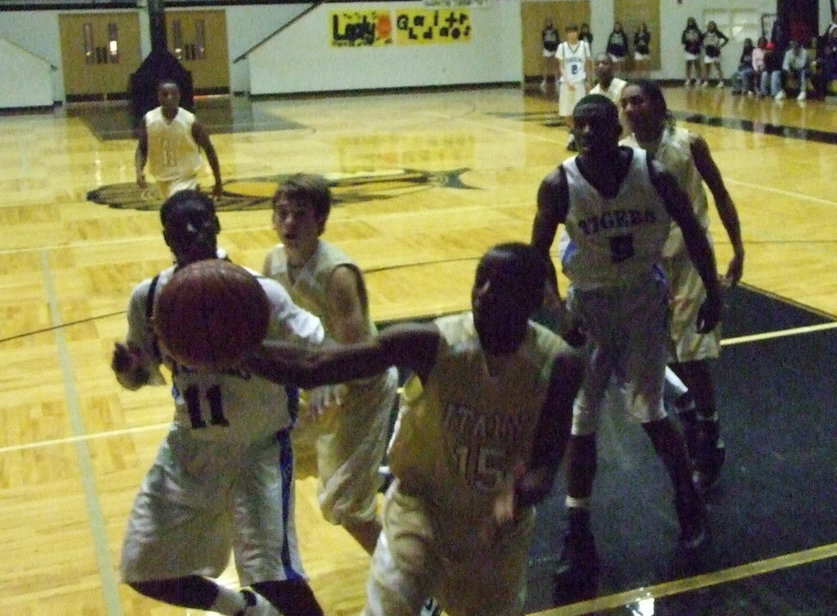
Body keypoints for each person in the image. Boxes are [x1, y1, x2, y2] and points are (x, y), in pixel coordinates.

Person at [248, 243, 586, 616]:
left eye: (500, 286)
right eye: (480, 281)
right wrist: (236, 353)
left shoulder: (559, 364)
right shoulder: (433, 343)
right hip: (421, 507)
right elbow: (316, 364)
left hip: (497, 531)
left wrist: (518, 496)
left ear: (531, 298)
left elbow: (545, 466)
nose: (484, 293)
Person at [531, 94, 723, 594]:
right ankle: (577, 531)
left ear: (616, 129)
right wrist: (557, 311)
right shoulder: (558, 183)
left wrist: (713, 291)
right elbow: (537, 261)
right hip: (589, 305)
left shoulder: (653, 172)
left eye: (599, 125)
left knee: (650, 408)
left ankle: (687, 500)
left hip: (642, 298)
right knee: (582, 418)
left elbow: (694, 231)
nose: (590, 134)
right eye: (581, 127)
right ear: (573, 133)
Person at [111, 190, 326, 616]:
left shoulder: (258, 294)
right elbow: (139, 377)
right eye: (179, 227)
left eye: (200, 221)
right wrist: (127, 369)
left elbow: (316, 352)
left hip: (258, 449)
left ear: (216, 224)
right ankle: (245, 610)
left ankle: (267, 602)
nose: (192, 232)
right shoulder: (150, 296)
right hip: (190, 448)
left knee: (274, 576)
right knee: (143, 568)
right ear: (166, 237)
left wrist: (248, 351)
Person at [262, 174, 399, 554]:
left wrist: (326, 381)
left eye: (300, 215)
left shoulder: (336, 274)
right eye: (282, 213)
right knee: (270, 457)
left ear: (320, 222)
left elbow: (355, 354)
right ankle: (374, 474)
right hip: (317, 381)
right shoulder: (273, 263)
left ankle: (417, 586)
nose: (289, 223)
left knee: (345, 508)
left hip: (360, 388)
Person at [619, 80, 744, 491]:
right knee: (654, 351)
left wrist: (737, 248)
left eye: (637, 100)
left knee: (693, 351)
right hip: (649, 260)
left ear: (657, 104)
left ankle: (710, 435)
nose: (630, 108)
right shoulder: (624, 153)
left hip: (691, 255)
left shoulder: (690, 143)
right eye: (625, 103)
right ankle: (689, 406)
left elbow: (721, 194)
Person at [135, 79, 223, 199]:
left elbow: (209, 149)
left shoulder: (190, 121)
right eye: (165, 94)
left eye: (174, 94)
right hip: (161, 177)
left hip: (186, 178)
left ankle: (194, 191)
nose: (170, 98)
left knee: (178, 208)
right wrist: (139, 171)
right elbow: (142, 148)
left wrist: (218, 180)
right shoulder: (148, 120)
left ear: (179, 96)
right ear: (158, 97)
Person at [556, 24, 593, 151]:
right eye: (569, 32)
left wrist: (589, 81)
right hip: (567, 83)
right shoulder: (562, 47)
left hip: (579, 82)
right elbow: (561, 66)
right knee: (566, 113)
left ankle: (576, 137)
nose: (572, 34)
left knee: (580, 112)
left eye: (574, 32)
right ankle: (573, 133)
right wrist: (567, 80)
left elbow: (588, 65)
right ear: (566, 34)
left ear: (577, 33)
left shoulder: (584, 46)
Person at [701, 20, 730, 87]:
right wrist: (704, 46)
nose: (711, 27)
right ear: (708, 26)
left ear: (715, 26)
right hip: (708, 52)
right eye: (710, 25)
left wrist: (720, 46)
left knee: (718, 67)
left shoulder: (718, 33)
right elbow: (700, 41)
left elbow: (726, 39)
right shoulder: (705, 34)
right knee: (707, 67)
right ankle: (706, 81)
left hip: (715, 52)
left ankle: (721, 81)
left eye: (712, 25)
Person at [681, 17, 704, 87]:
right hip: (688, 49)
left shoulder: (698, 31)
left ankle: (699, 79)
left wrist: (695, 43)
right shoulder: (685, 31)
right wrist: (689, 42)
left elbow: (701, 40)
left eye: (692, 21)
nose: (690, 23)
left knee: (697, 64)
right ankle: (688, 79)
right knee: (688, 65)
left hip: (696, 50)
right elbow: (683, 41)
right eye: (689, 21)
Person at [541, 18, 560, 89]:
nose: (548, 24)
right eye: (547, 22)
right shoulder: (544, 31)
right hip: (546, 49)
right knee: (545, 65)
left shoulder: (555, 31)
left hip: (554, 49)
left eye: (550, 22)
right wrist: (546, 47)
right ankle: (544, 80)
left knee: (555, 65)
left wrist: (556, 48)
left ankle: (557, 80)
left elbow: (558, 40)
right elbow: (543, 40)